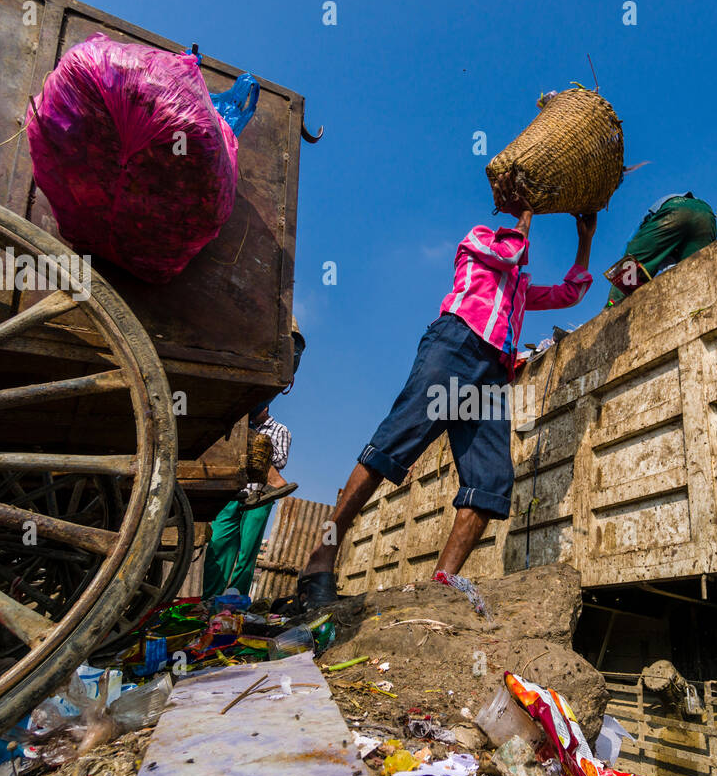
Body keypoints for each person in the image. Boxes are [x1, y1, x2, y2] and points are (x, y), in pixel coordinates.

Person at [295, 190, 596, 610]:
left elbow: (570, 294)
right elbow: (510, 252)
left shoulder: (521, 291)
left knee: (491, 481)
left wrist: (584, 239)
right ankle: (319, 559)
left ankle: (442, 586)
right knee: (394, 444)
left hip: (493, 374)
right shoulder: (477, 240)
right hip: (456, 345)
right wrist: (527, 214)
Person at [202, 403, 296, 602]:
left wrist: (251, 440)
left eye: (256, 411)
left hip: (260, 495)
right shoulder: (239, 427)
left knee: (247, 552)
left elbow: (279, 461)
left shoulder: (280, 430)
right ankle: (209, 599)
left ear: (266, 408)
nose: (252, 416)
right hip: (232, 494)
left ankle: (234, 601)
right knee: (218, 546)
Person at [604, 192, 717, 307]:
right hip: (707, 215)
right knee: (697, 275)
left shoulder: (645, 231)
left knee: (628, 267)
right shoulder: (670, 247)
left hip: (676, 208)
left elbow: (630, 251)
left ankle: (611, 309)